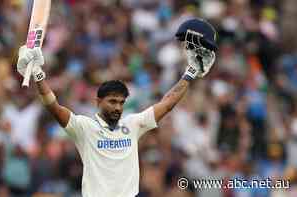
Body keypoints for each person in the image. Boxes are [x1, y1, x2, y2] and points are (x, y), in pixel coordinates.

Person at [16, 18, 217, 197]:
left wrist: (190, 72)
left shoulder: (133, 124)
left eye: (121, 102)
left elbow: (168, 102)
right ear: (98, 102)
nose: (117, 107)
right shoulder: (84, 127)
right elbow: (54, 107)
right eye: (112, 102)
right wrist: (38, 75)